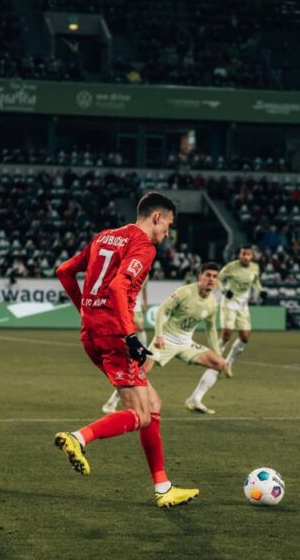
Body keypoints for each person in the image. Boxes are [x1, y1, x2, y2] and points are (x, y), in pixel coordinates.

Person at [53, 191, 199, 508]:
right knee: (141, 414)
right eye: (168, 225)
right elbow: (119, 286)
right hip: (115, 335)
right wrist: (130, 335)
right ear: (157, 217)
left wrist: (85, 311)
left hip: (92, 332)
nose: (167, 234)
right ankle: (78, 438)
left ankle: (163, 487)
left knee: (153, 403)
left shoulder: (105, 236)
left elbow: (64, 271)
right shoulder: (143, 246)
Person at [131, 262, 228, 414]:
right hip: (166, 340)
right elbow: (162, 309)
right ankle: (117, 401)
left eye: (214, 277)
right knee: (140, 372)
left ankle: (194, 400)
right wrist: (159, 335)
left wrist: (217, 352)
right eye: (207, 275)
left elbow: (211, 328)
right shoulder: (185, 292)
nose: (211, 279)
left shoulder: (212, 303)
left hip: (186, 343)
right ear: (200, 276)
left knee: (220, 363)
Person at [101, 282, 148, 413]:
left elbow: (144, 287)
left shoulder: (146, 269)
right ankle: (113, 403)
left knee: (137, 372)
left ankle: (112, 403)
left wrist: (145, 300)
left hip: (135, 305)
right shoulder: (128, 268)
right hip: (125, 305)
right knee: (134, 371)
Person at [217, 246, 262, 377]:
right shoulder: (231, 267)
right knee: (226, 335)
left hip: (243, 305)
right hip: (229, 303)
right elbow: (218, 280)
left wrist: (261, 290)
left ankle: (228, 363)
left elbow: (256, 282)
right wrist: (225, 291)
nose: (246, 257)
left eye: (248, 254)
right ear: (239, 255)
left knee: (245, 337)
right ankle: (216, 363)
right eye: (243, 254)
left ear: (252, 256)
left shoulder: (255, 267)